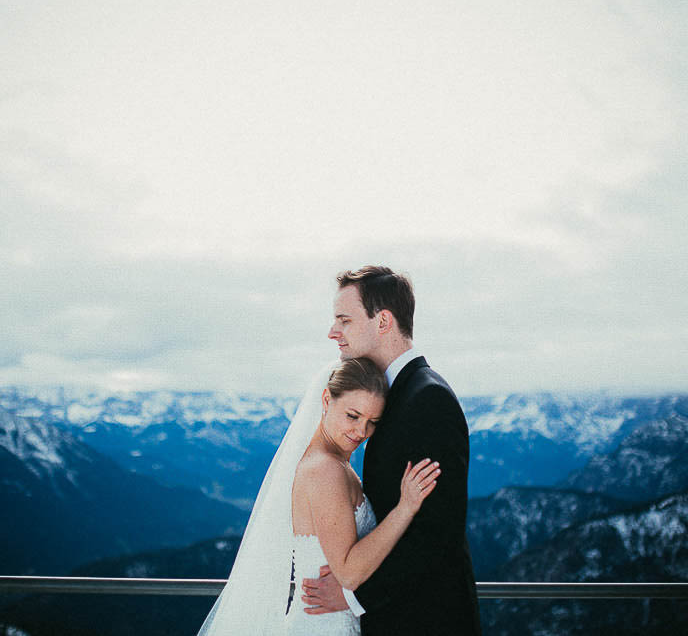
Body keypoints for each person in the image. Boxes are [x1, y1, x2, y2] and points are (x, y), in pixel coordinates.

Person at [197, 357, 440, 636]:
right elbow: (348, 572)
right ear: (326, 400)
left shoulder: (331, 463)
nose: (361, 432)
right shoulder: (325, 470)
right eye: (353, 415)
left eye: (373, 422)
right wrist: (405, 508)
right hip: (325, 626)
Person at [300, 266, 482, 635]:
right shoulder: (395, 394)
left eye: (344, 320)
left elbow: (437, 533)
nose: (333, 332)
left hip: (427, 622)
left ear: (383, 321)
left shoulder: (427, 398)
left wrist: (355, 594)